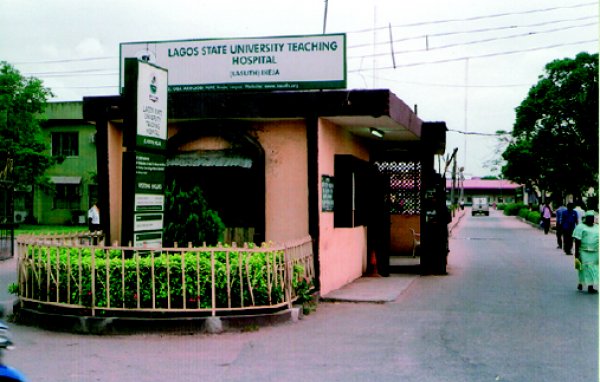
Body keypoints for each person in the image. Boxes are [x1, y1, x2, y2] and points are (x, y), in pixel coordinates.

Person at [573, 210, 598, 294]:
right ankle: (581, 283)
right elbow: (577, 240)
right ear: (586, 218)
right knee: (583, 269)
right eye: (589, 218)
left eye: (592, 218)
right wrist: (577, 252)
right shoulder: (580, 227)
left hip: (595, 252)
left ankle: (590, 286)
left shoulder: (597, 227)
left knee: (593, 269)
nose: (591, 220)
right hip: (583, 251)